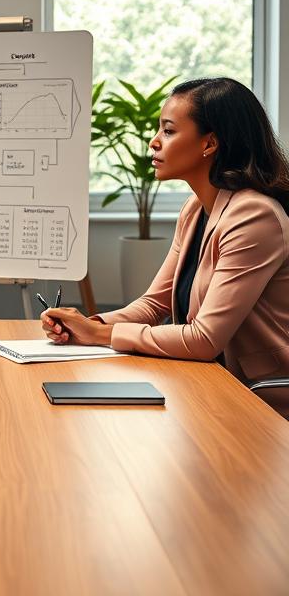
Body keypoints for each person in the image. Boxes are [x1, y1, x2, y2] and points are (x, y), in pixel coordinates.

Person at [41, 77, 289, 418]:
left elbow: (203, 339)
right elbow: (153, 304)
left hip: (262, 398)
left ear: (209, 143)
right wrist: (86, 325)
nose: (154, 142)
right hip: (210, 385)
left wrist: (102, 334)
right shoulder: (194, 209)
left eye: (169, 131)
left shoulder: (253, 216)